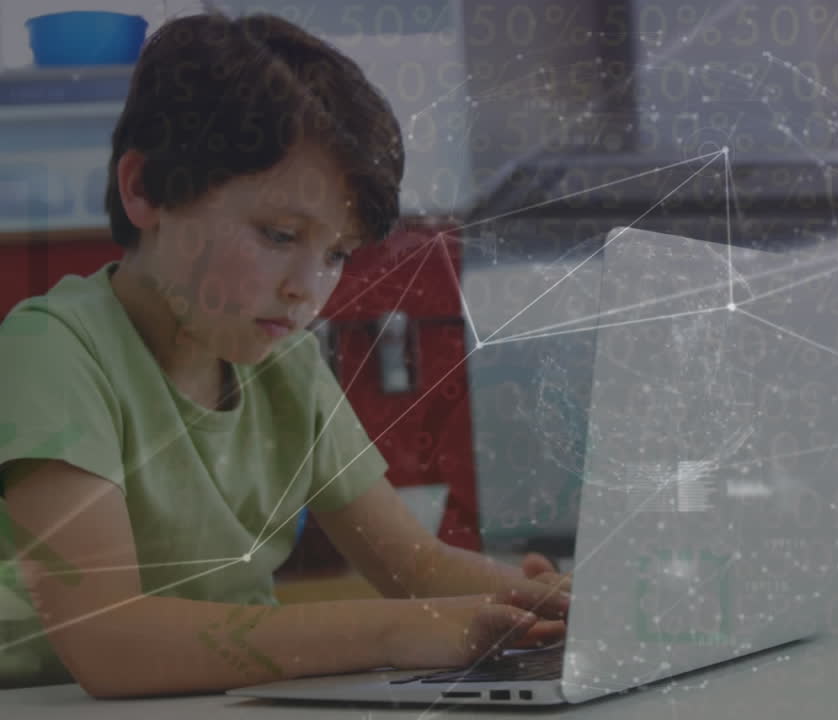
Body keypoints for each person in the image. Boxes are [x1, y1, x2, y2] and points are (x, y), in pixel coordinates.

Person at [0, 11, 569, 697]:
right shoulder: (51, 351)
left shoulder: (285, 366)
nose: (309, 288)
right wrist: (391, 629)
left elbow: (414, 566)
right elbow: (109, 640)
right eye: (277, 234)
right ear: (144, 188)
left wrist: (539, 605)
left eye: (335, 254)